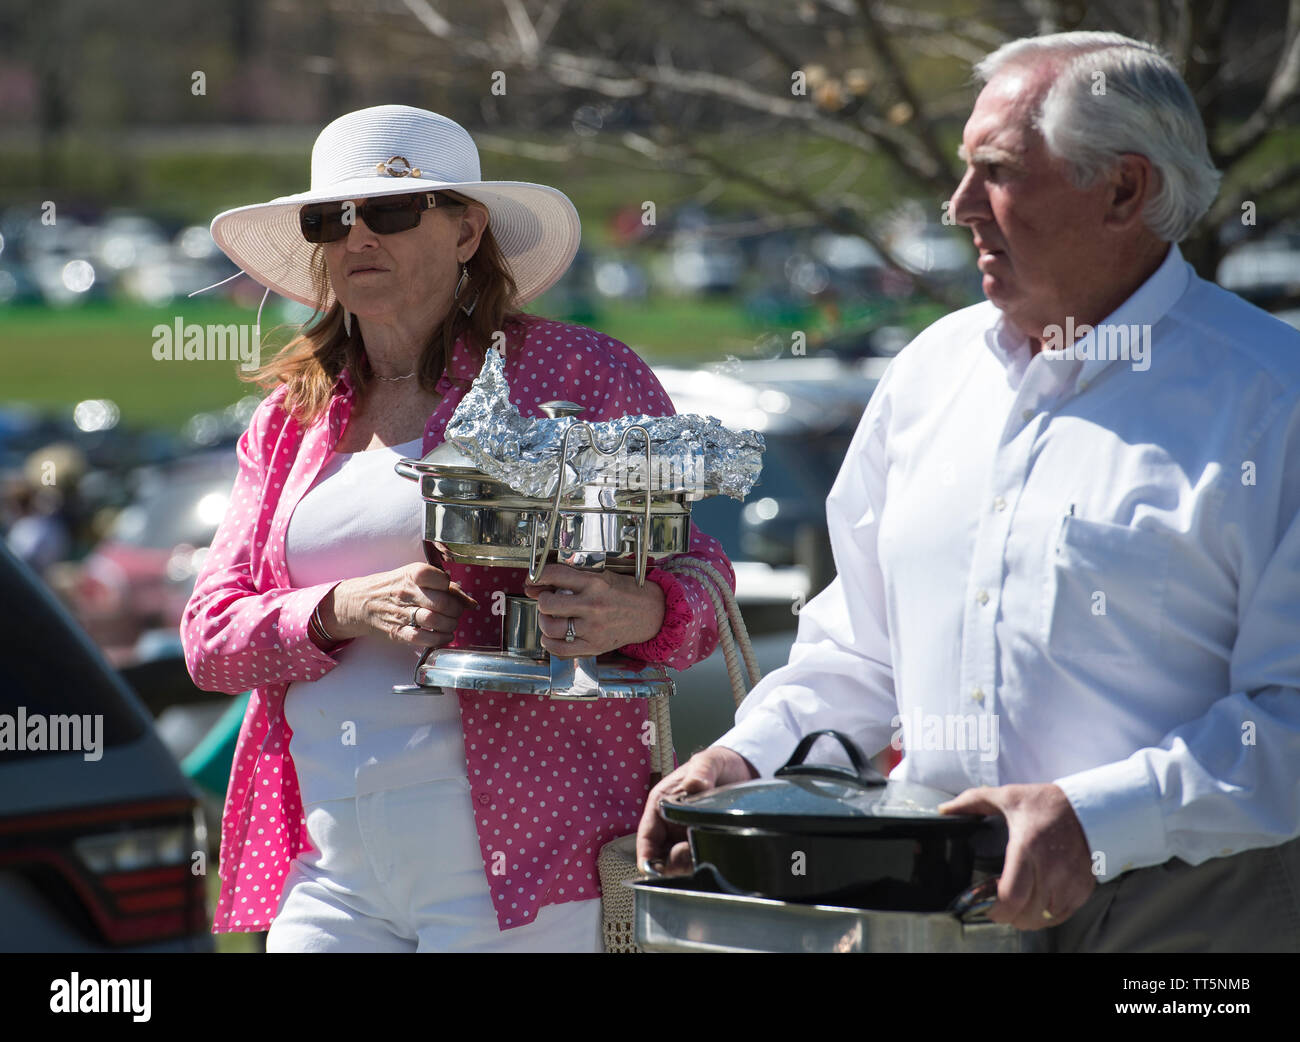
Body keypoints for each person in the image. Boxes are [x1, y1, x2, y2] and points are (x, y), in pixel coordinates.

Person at [639, 31, 1300, 953]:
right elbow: (865, 648)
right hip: (930, 906)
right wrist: (745, 759)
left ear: (1124, 189)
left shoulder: (1277, 400)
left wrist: (1094, 818)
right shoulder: (928, 377)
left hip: (1191, 916)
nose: (957, 208)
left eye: (996, 172)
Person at [180, 104, 733, 952]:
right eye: (332, 219)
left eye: (392, 212)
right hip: (326, 871)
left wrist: (645, 612)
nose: (358, 237)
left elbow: (702, 578)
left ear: (468, 231)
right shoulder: (290, 418)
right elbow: (210, 639)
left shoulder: (584, 374)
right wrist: (340, 608)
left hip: (526, 870)